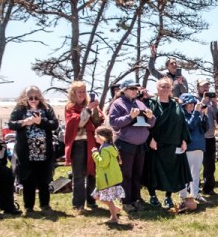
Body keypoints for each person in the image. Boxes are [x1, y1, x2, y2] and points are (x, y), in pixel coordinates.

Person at [8, 86, 59, 215]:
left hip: (43, 150)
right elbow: (11, 124)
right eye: (30, 98)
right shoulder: (20, 109)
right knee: (28, 179)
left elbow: (54, 124)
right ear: (26, 98)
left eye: (36, 97)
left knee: (44, 179)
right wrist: (24, 122)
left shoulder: (47, 108)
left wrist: (41, 121)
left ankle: (45, 204)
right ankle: (29, 206)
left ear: (40, 97)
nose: (33, 100)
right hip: (27, 151)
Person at [143, 77, 191, 209]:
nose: (165, 89)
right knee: (153, 171)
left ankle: (168, 197)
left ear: (171, 89)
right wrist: (150, 139)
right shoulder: (150, 103)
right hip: (155, 143)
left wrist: (184, 140)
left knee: (172, 171)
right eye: (162, 86)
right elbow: (144, 123)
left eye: (168, 87)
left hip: (173, 143)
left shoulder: (175, 104)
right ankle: (152, 196)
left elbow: (182, 122)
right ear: (157, 88)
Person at [108, 80, 155, 212]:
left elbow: (152, 124)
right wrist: (129, 117)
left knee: (137, 174)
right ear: (124, 90)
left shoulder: (140, 103)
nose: (135, 91)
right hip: (125, 144)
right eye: (131, 88)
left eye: (136, 88)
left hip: (140, 145)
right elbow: (114, 122)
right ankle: (126, 201)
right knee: (126, 174)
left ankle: (136, 199)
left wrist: (151, 117)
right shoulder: (117, 104)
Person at [64, 80, 104, 215]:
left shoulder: (89, 105)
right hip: (78, 144)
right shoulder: (70, 107)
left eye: (83, 91)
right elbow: (79, 123)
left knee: (92, 173)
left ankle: (91, 201)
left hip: (92, 142)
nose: (82, 94)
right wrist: (87, 110)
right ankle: (78, 204)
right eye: (79, 92)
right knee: (79, 175)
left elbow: (98, 121)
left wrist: (95, 109)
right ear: (73, 93)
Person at [179, 93, 208, 206]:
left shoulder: (197, 114)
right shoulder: (182, 115)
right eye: (189, 104)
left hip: (199, 147)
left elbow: (206, 128)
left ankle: (195, 194)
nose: (191, 106)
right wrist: (196, 112)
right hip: (188, 148)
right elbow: (189, 126)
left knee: (196, 173)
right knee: (185, 173)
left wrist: (204, 115)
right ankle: (183, 196)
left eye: (193, 103)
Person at [91, 126, 125, 223]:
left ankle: (114, 218)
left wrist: (95, 153)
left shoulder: (105, 149)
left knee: (107, 200)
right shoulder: (107, 147)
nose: (94, 136)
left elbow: (103, 163)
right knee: (96, 196)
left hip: (107, 180)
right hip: (107, 179)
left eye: (96, 135)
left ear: (102, 137)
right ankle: (115, 209)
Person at [196, 79, 218, 196]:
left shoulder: (211, 102)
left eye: (207, 86)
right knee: (196, 164)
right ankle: (194, 188)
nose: (206, 88)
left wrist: (214, 104)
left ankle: (208, 188)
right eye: (203, 86)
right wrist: (202, 102)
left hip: (210, 136)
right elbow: (195, 116)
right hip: (198, 137)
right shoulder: (194, 100)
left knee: (209, 164)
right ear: (198, 87)